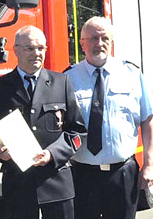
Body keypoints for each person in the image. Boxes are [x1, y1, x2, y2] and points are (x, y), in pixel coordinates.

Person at [0, 26, 87, 219]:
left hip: (56, 183)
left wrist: (52, 154)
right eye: (30, 48)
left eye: (41, 48)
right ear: (15, 50)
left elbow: (77, 131)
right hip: (17, 184)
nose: (37, 54)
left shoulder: (61, 82)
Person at [64, 16, 153, 219]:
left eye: (105, 38)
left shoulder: (132, 73)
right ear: (82, 43)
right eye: (93, 38)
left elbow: (148, 120)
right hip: (82, 174)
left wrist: (149, 165)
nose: (100, 43)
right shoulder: (68, 77)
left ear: (111, 41)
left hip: (122, 173)